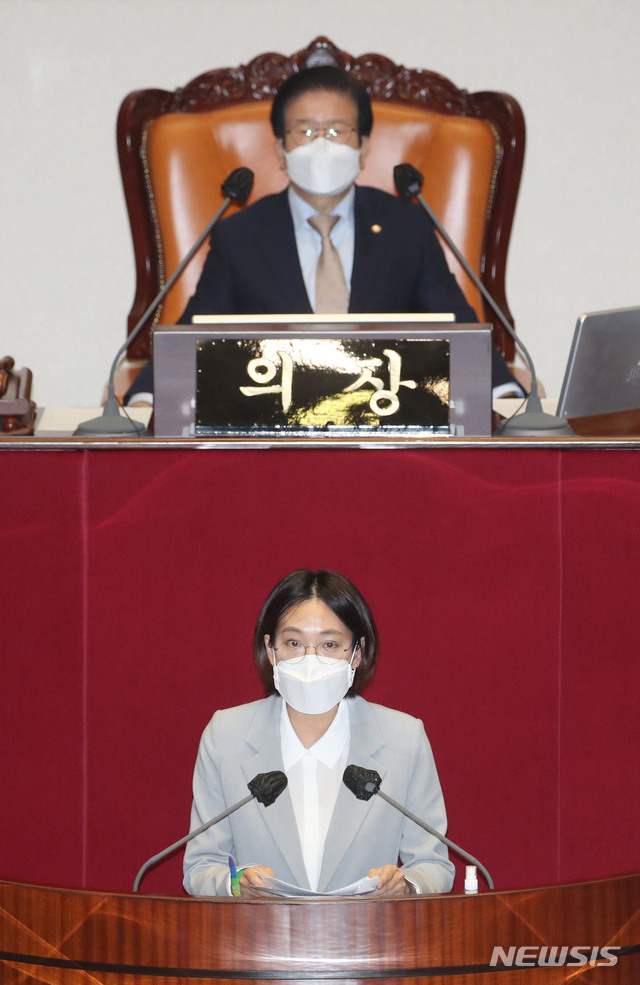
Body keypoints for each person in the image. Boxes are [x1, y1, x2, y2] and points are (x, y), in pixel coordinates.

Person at [126, 65, 522, 404]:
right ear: (280, 151)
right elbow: (197, 331)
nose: (319, 145)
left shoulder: (407, 226)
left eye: (336, 132)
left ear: (364, 149)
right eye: (304, 131)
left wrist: (504, 392)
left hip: (388, 418)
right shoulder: (240, 235)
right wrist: (145, 399)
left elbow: (455, 325)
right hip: (273, 425)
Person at [182, 569, 455, 898]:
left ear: (356, 653)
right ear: (270, 650)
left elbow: (434, 864)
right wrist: (238, 885)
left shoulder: (403, 738)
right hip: (257, 943)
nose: (310, 660)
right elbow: (201, 865)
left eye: (329, 644)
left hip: (368, 942)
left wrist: (406, 885)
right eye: (294, 643)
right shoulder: (226, 736)